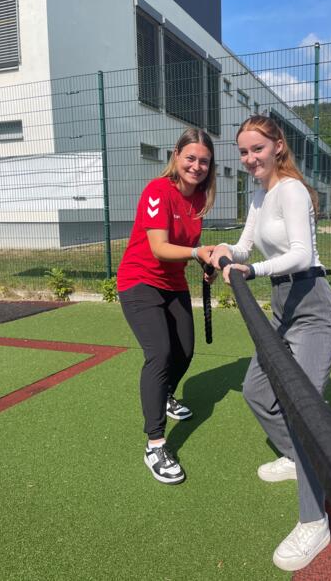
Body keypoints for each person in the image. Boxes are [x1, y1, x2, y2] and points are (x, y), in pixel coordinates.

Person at [211, 115, 331, 571]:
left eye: (257, 150)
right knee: (257, 392)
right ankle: (297, 457)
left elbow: (302, 254)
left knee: (303, 412)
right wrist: (226, 251)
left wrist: (252, 271)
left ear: (278, 146)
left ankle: (315, 520)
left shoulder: (291, 190)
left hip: (312, 305)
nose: (249, 159)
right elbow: (247, 244)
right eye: (243, 152)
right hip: (283, 307)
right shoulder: (259, 193)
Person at [117, 128, 217, 485]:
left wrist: (204, 260)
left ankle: (166, 394)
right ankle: (155, 444)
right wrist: (196, 253)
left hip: (172, 283)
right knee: (159, 353)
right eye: (190, 157)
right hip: (139, 280)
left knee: (185, 351)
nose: (197, 165)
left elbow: (190, 241)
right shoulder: (157, 191)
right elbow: (159, 247)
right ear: (176, 156)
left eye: (204, 160)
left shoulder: (200, 198)